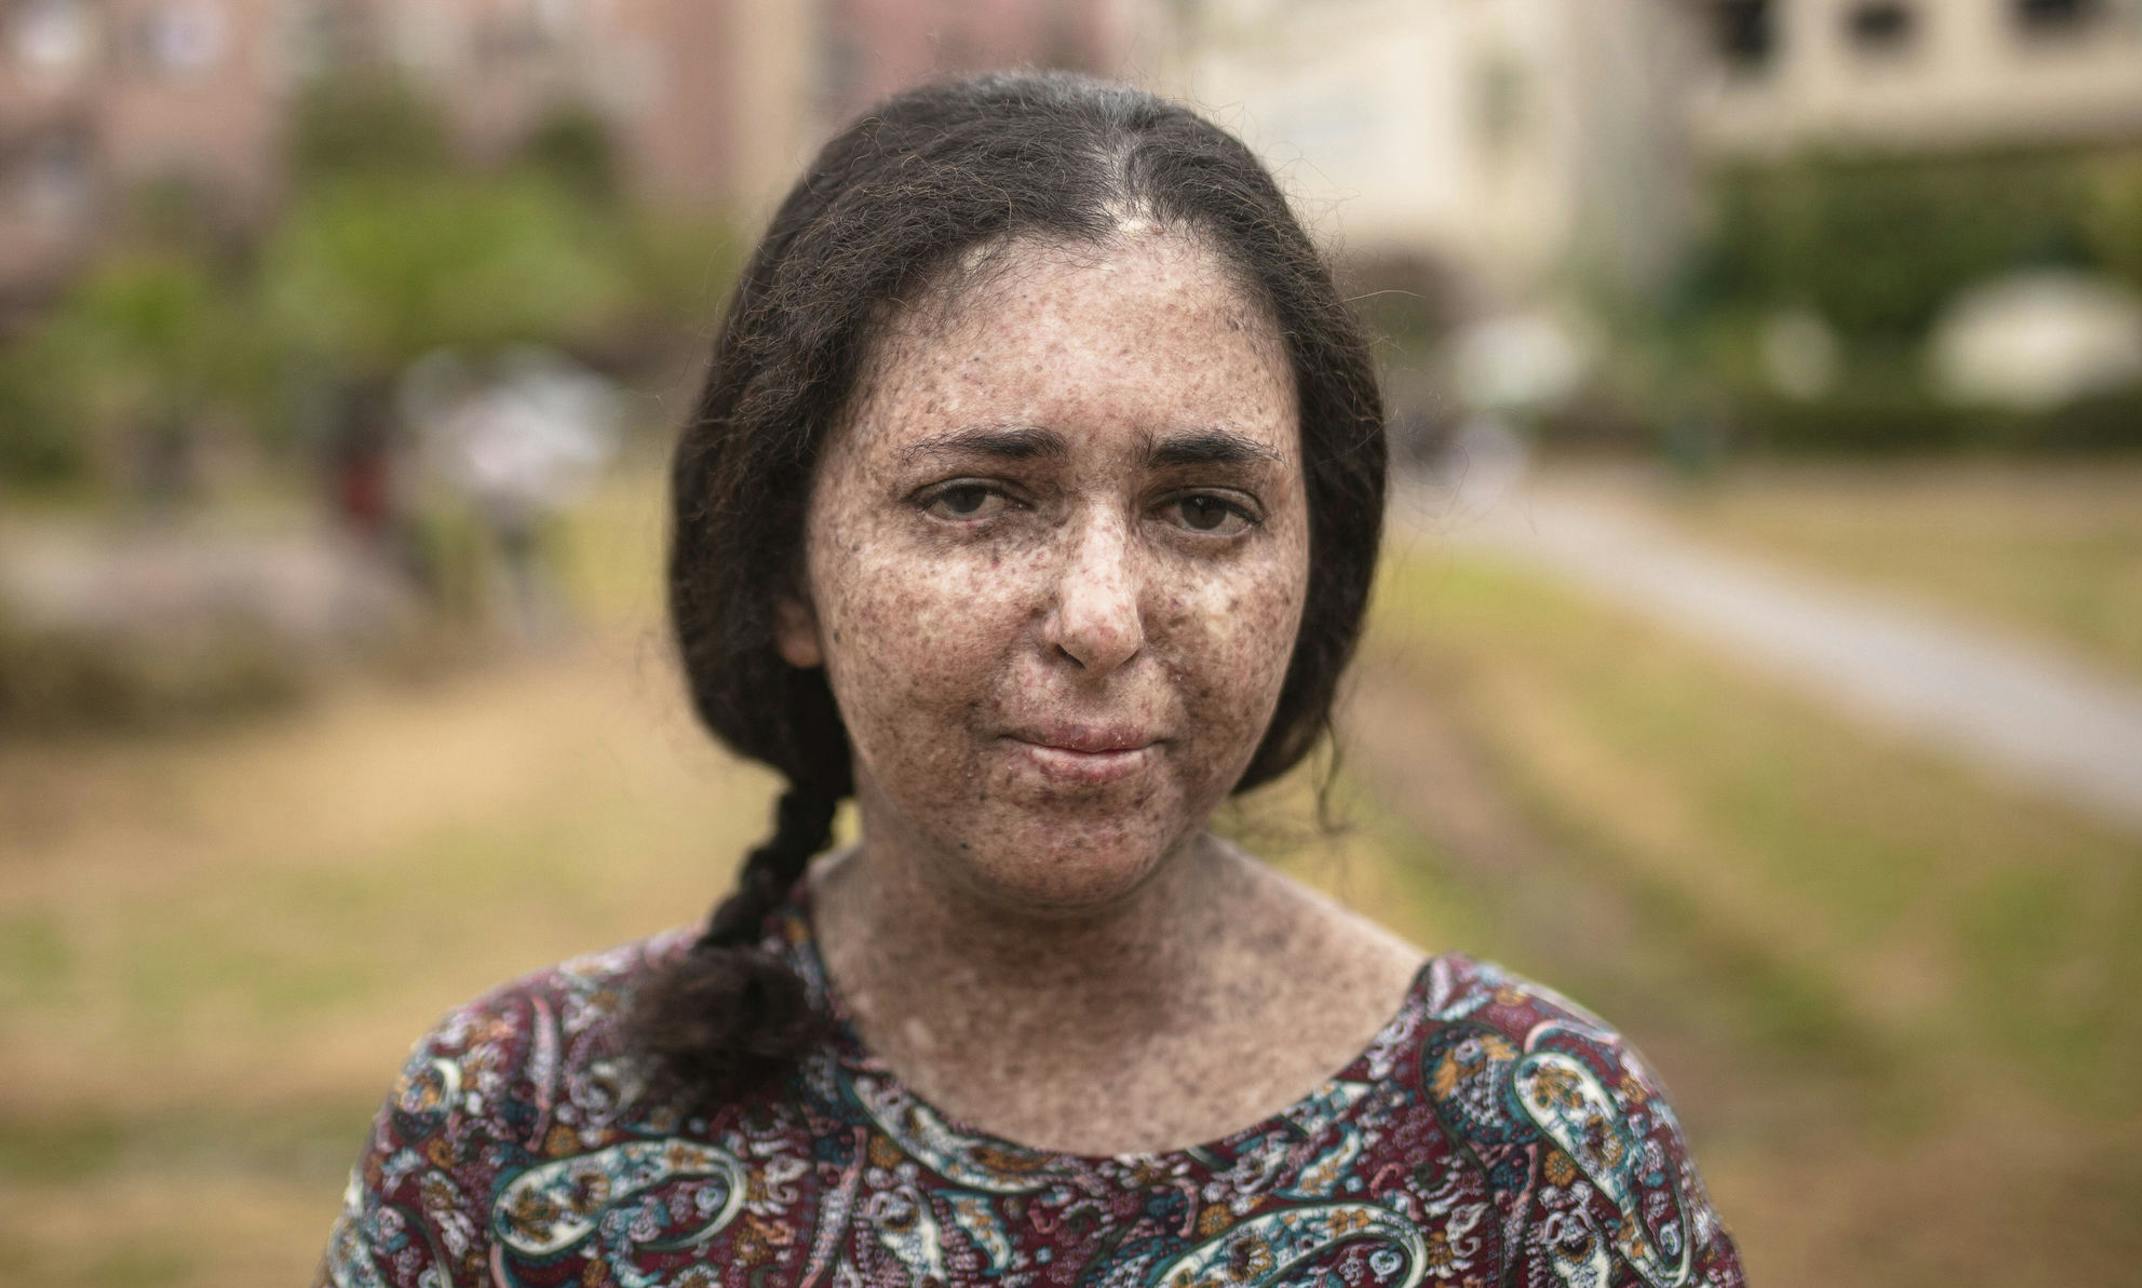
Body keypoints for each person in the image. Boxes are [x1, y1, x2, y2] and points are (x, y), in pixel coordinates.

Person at [313, 72, 1746, 1287]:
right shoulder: (516, 1136)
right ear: (785, 579)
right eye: (974, 500)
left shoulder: (1533, 1159)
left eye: (1202, 509)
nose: (1103, 619)